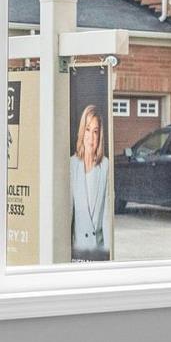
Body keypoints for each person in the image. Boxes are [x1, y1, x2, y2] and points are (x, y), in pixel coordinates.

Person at [70, 104, 110, 261]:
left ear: (100, 135)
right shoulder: (71, 165)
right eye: (87, 129)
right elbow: (68, 215)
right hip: (77, 254)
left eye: (95, 132)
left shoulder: (105, 165)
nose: (91, 137)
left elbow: (106, 217)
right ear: (82, 131)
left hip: (98, 252)